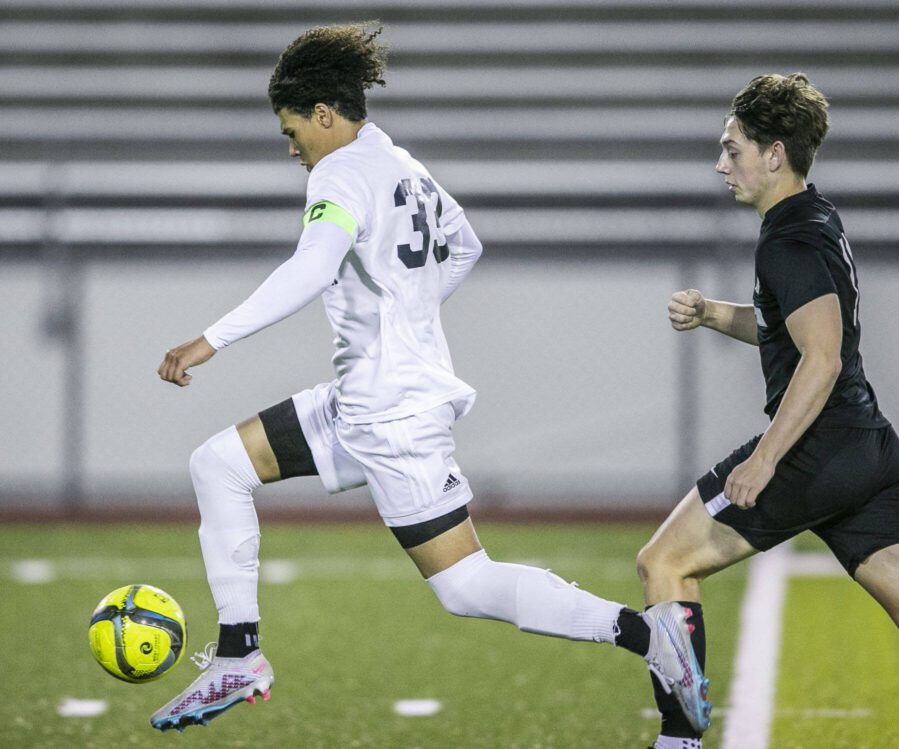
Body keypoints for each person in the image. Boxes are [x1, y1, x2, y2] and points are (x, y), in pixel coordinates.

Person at [149, 23, 702, 733]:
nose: (291, 147)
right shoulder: (398, 162)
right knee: (218, 463)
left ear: (324, 115)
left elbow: (314, 268)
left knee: (466, 584)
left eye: (293, 130)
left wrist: (210, 339)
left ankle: (653, 637)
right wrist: (406, 316)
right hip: (369, 399)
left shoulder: (340, 171)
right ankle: (238, 654)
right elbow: (465, 242)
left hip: (389, 413)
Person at [636, 72, 899, 749]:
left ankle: (677, 742)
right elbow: (792, 327)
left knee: (664, 562)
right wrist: (711, 314)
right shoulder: (812, 216)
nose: (720, 164)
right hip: (864, 447)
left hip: (818, 449)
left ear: (774, 153)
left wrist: (764, 458)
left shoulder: (789, 240)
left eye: (732, 149)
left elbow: (821, 358)